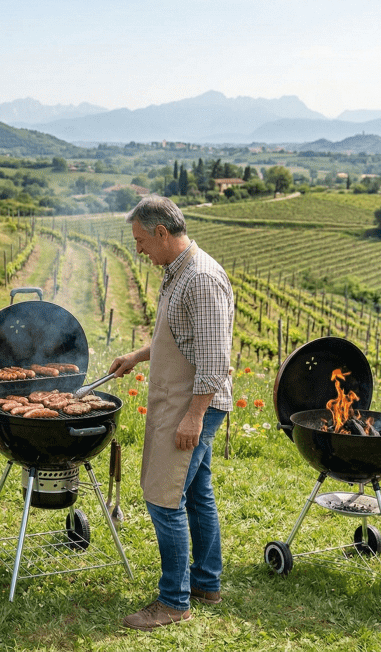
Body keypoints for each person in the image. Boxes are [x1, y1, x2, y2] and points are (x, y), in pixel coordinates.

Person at [109, 196, 234, 631]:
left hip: (190, 405)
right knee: (197, 493)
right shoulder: (176, 272)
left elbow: (215, 359)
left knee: (164, 498)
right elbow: (180, 336)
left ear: (162, 233)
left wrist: (194, 417)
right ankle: (205, 583)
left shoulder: (200, 278)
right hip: (179, 400)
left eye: (141, 241)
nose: (138, 250)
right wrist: (138, 356)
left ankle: (174, 601)